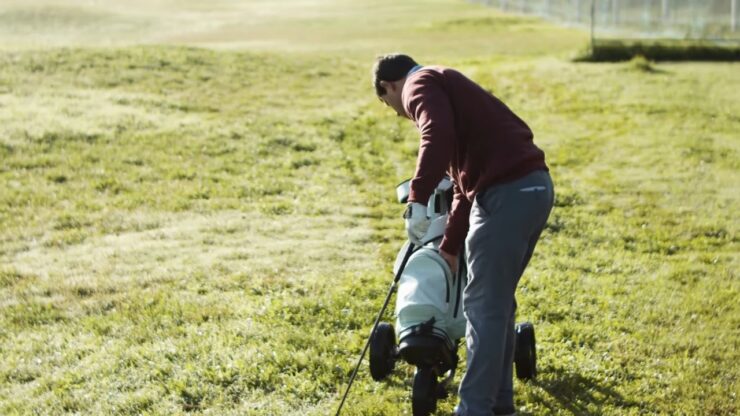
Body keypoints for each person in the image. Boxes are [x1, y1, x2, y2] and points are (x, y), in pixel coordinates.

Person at [372, 53, 554, 416]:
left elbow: (435, 133)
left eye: (388, 102)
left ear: (388, 86)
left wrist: (419, 199)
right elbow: (461, 187)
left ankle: (474, 409)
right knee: (498, 304)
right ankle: (500, 404)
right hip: (534, 189)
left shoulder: (417, 84)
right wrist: (451, 246)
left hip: (505, 194)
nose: (396, 111)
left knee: (483, 308)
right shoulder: (445, 85)